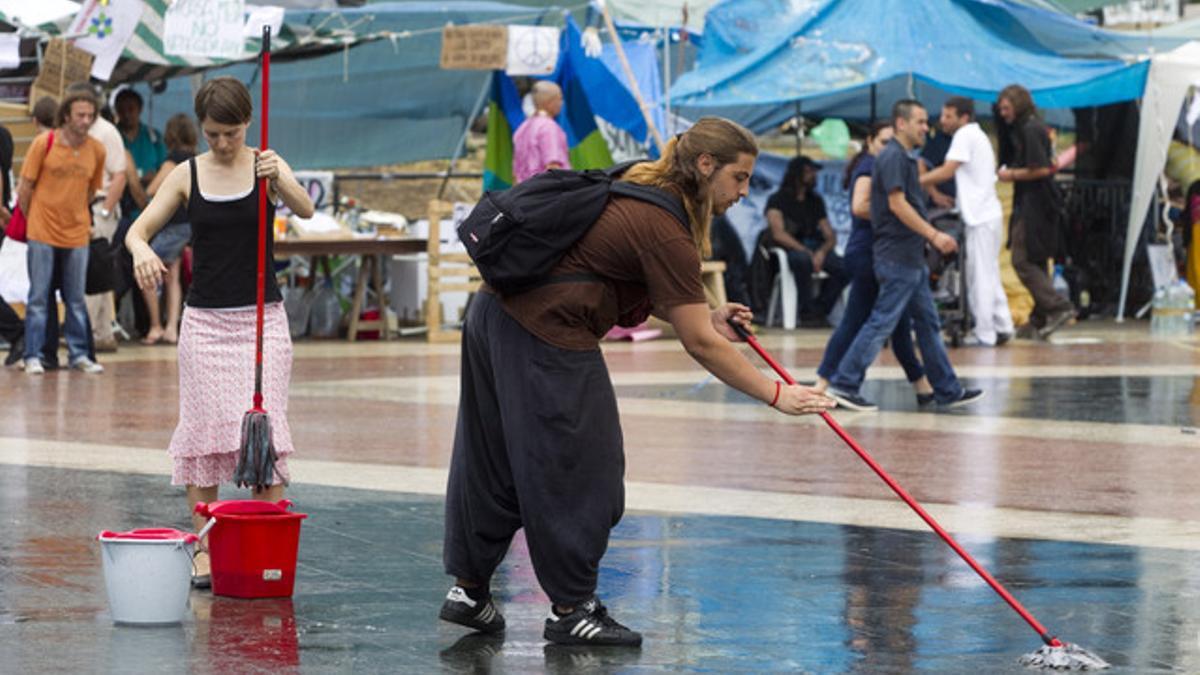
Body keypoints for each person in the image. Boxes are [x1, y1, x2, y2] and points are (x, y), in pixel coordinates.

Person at [441, 118, 836, 646]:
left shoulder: (637, 185)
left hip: (492, 315)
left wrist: (710, 319)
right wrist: (777, 393)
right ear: (704, 166)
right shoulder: (663, 224)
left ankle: (470, 592)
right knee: (583, 468)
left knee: (490, 460)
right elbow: (700, 344)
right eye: (739, 178)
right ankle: (571, 609)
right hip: (544, 330)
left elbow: (639, 291)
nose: (743, 193)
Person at [125, 77, 314, 587]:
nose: (223, 143)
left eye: (231, 133)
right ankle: (206, 549)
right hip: (205, 324)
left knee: (265, 431)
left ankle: (266, 540)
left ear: (247, 123)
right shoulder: (188, 173)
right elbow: (137, 230)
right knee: (204, 435)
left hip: (262, 320)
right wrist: (142, 250)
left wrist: (283, 180)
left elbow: (306, 209)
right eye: (213, 134)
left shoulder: (267, 165)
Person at [824, 100, 983, 412]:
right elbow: (897, 205)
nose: (927, 127)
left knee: (927, 322)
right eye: (920, 122)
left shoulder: (902, 158)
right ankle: (844, 382)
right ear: (901, 123)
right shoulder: (894, 157)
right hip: (898, 256)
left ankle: (946, 389)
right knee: (881, 322)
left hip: (908, 256)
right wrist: (934, 235)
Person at [815, 122, 934, 404]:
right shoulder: (870, 166)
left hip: (878, 252)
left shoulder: (880, 164)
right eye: (883, 142)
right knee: (861, 319)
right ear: (869, 142)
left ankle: (923, 387)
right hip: (869, 253)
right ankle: (825, 383)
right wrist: (899, 215)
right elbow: (859, 206)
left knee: (899, 323)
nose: (887, 148)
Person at [18, 87, 106, 375]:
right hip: (42, 231)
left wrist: (78, 215)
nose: (85, 120)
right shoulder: (45, 143)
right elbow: (26, 187)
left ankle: (79, 354)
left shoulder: (97, 149)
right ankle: (33, 355)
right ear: (66, 115)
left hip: (77, 233)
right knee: (39, 298)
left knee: (76, 298)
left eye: (90, 115)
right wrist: (34, 219)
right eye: (80, 114)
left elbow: (92, 190)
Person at [920, 97, 1015, 346]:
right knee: (989, 271)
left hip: (979, 216)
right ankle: (1002, 324)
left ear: (963, 117)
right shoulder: (978, 135)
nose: (942, 121)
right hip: (986, 214)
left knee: (979, 275)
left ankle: (985, 332)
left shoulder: (964, 136)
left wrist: (916, 182)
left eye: (948, 116)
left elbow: (947, 170)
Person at [996, 84, 1075, 339]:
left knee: (1022, 259)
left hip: (1035, 203)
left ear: (1017, 105)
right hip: (1037, 202)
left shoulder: (1030, 129)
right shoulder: (1029, 128)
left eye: (1006, 108)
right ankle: (1039, 318)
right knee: (1038, 258)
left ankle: (1058, 306)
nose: (1003, 113)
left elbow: (1042, 169)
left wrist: (1011, 175)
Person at [66, 83, 128, 353]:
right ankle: (99, 332)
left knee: (94, 267)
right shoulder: (79, 134)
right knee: (96, 272)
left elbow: (119, 175)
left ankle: (91, 332)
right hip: (82, 209)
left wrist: (105, 210)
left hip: (100, 207)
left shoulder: (106, 133)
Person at [764, 155, 849, 325]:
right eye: (809, 171)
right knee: (802, 261)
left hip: (815, 248)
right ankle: (806, 312)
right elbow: (778, 234)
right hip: (790, 250)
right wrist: (806, 252)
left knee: (846, 267)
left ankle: (818, 310)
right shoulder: (777, 199)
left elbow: (830, 235)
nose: (813, 176)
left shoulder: (815, 201)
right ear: (797, 174)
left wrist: (822, 252)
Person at [139, 113, 197, 345]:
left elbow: (153, 189)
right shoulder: (196, 159)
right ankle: (172, 328)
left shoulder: (173, 160)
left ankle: (155, 325)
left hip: (173, 225)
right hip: (190, 225)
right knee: (172, 277)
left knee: (146, 272)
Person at [512, 81, 570, 183]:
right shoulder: (548, 127)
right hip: (546, 194)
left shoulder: (523, 128)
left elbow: (515, 170)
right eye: (560, 99)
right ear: (550, 102)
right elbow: (553, 167)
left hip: (524, 192)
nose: (562, 103)